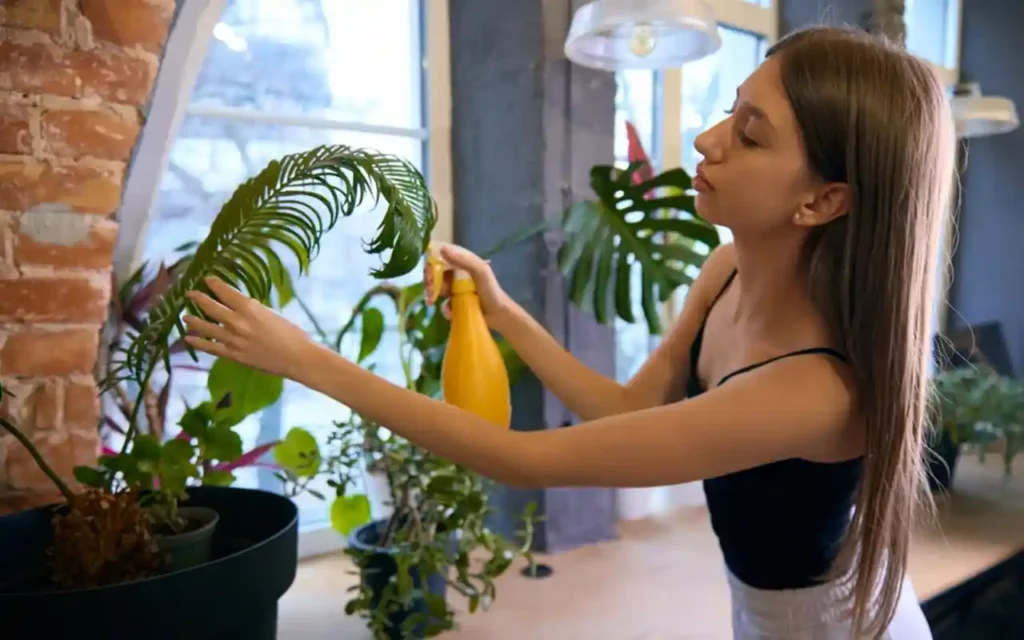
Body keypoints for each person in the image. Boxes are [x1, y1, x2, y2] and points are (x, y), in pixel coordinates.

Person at [182, 26, 954, 639]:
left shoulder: (815, 390)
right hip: (759, 611)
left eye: (750, 136)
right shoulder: (725, 274)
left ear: (822, 202)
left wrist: (306, 360)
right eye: (729, 110)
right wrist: (501, 310)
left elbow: (523, 460)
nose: (708, 140)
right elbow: (626, 409)